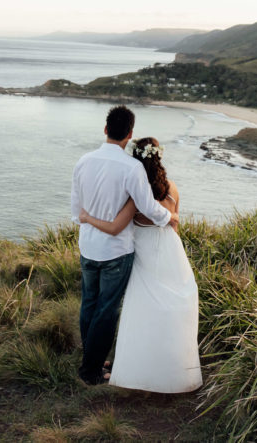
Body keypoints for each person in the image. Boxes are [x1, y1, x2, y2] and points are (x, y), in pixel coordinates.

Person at [79, 136, 203, 393]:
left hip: (142, 251)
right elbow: (174, 225)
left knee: (140, 308)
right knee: (170, 306)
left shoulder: (135, 192)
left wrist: (87, 217)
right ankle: (170, 364)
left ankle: (133, 364)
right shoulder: (172, 188)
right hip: (169, 249)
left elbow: (116, 226)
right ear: (158, 157)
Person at [70, 106, 177, 385]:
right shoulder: (131, 168)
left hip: (88, 247)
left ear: (106, 129)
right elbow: (148, 208)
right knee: (107, 309)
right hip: (116, 251)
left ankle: (91, 358)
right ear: (129, 134)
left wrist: (89, 219)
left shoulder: (83, 161)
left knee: (89, 304)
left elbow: (75, 210)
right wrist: (171, 216)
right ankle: (91, 371)